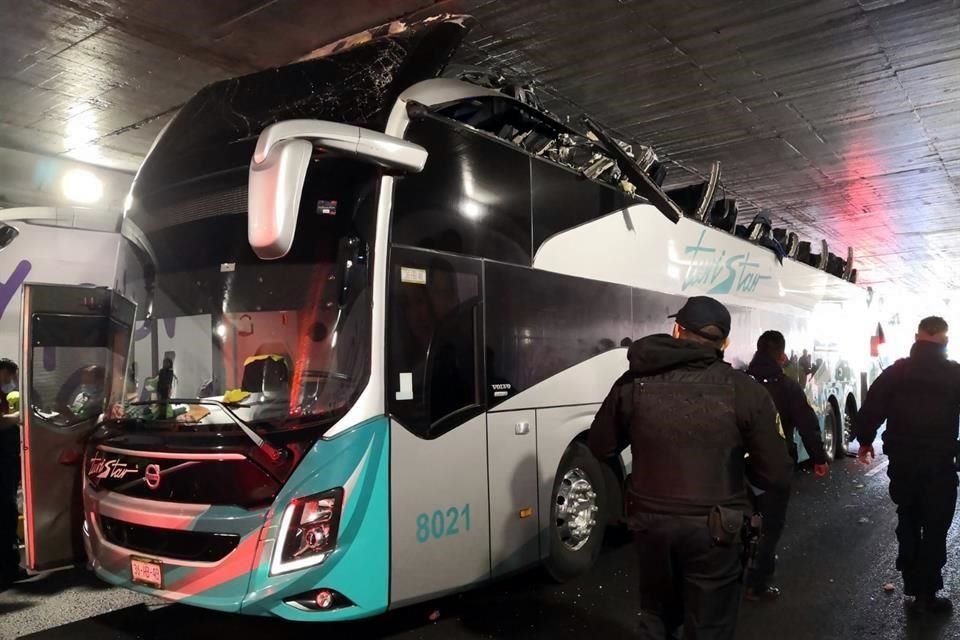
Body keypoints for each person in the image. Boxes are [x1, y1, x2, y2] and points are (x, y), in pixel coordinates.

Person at [588, 296, 793, 639]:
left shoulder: (634, 382)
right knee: (709, 625)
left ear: (676, 330)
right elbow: (776, 472)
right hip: (717, 528)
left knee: (655, 615)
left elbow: (600, 445)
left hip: (650, 523)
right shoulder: (746, 391)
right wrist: (739, 483)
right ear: (724, 343)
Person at [856, 316, 960, 614]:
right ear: (946, 340)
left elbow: (872, 406)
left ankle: (913, 585)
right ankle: (927, 593)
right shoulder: (954, 374)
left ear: (917, 337)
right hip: (939, 464)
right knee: (936, 526)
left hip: (903, 463)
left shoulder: (897, 372)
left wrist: (864, 440)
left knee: (909, 518)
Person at [744, 330, 829, 601]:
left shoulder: (739, 383)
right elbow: (806, 423)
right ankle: (757, 584)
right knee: (772, 525)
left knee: (739, 518)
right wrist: (818, 458)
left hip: (738, 467)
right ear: (781, 355)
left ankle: (736, 566)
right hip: (774, 467)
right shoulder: (787, 386)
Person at [0, 358, 25, 589]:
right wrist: (17, 418)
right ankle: (8, 568)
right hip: (3, 464)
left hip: (7, 460)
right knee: (7, 512)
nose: (10, 381)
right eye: (9, 376)